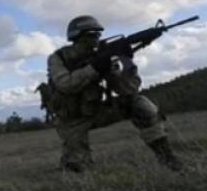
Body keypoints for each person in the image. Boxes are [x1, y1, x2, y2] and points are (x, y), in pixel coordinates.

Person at [47, 15, 182, 173]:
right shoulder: (59, 58)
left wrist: (127, 64)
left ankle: (168, 159)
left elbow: (127, 90)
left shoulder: (101, 57)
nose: (95, 39)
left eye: (98, 35)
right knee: (78, 169)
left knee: (140, 104)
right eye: (90, 35)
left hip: (96, 111)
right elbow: (66, 84)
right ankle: (69, 162)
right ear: (76, 38)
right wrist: (94, 69)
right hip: (71, 121)